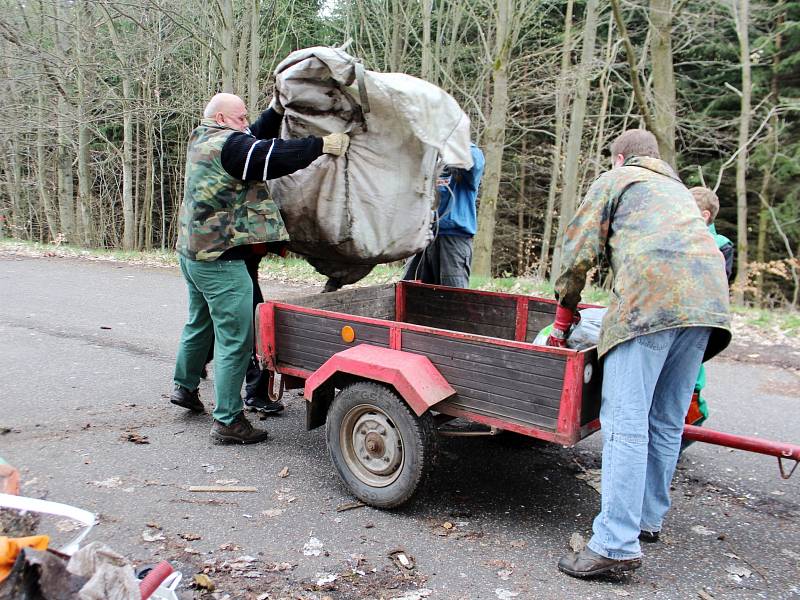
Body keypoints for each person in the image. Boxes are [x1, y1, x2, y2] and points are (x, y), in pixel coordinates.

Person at [549, 130, 732, 578]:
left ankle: (614, 543)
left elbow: (577, 251)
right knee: (666, 420)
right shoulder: (677, 192)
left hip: (650, 303)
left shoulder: (617, 180)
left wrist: (565, 310)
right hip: (707, 307)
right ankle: (646, 520)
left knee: (626, 424)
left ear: (619, 158)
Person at [170, 92, 350, 444]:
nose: (245, 122)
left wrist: (275, 110)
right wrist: (320, 145)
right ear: (221, 119)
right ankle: (228, 420)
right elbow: (269, 156)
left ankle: (185, 387)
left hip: (193, 254)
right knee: (236, 339)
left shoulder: (203, 137)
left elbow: (251, 137)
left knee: (200, 322)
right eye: (239, 117)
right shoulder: (232, 147)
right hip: (222, 260)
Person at [682, 187, 735, 432]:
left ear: (704, 216)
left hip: (698, 318)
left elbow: (719, 285)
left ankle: (691, 421)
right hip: (678, 314)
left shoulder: (720, 246)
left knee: (690, 376)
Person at [403, 143, 485, 288]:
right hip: (424, 236)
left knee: (453, 299)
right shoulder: (432, 160)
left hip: (454, 240)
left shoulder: (470, 154)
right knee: (410, 291)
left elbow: (473, 164)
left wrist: (452, 140)